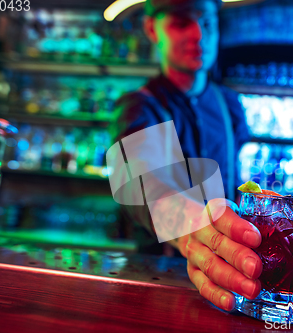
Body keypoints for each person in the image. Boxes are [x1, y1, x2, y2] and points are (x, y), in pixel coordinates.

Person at [111, 0, 262, 312]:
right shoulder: (140, 107)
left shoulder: (229, 104)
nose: (198, 35)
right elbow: (142, 182)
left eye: (207, 22)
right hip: (158, 282)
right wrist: (192, 225)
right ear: (152, 29)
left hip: (229, 279)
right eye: (182, 22)